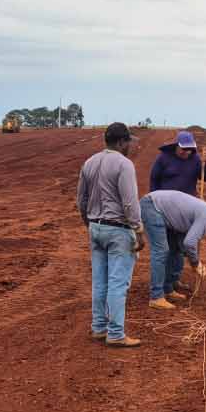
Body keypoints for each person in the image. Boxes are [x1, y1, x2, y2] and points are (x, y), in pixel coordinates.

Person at [77, 122, 145, 347]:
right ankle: (115, 333)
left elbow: (81, 199)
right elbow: (129, 202)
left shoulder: (89, 162)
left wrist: (89, 223)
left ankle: (99, 328)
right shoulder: (124, 164)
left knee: (99, 281)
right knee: (118, 283)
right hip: (118, 230)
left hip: (95, 227)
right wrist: (139, 230)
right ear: (122, 142)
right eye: (128, 142)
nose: (130, 147)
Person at [137, 188, 206, 310]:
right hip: (152, 207)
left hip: (159, 208)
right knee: (161, 251)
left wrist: (192, 258)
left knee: (175, 249)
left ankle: (168, 289)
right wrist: (195, 263)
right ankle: (156, 297)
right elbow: (189, 243)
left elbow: (183, 244)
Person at [149, 130, 206, 196]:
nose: (188, 152)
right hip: (167, 199)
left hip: (187, 199)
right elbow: (154, 179)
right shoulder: (164, 157)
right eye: (184, 149)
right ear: (177, 146)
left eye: (190, 149)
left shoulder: (195, 159)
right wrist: (154, 197)